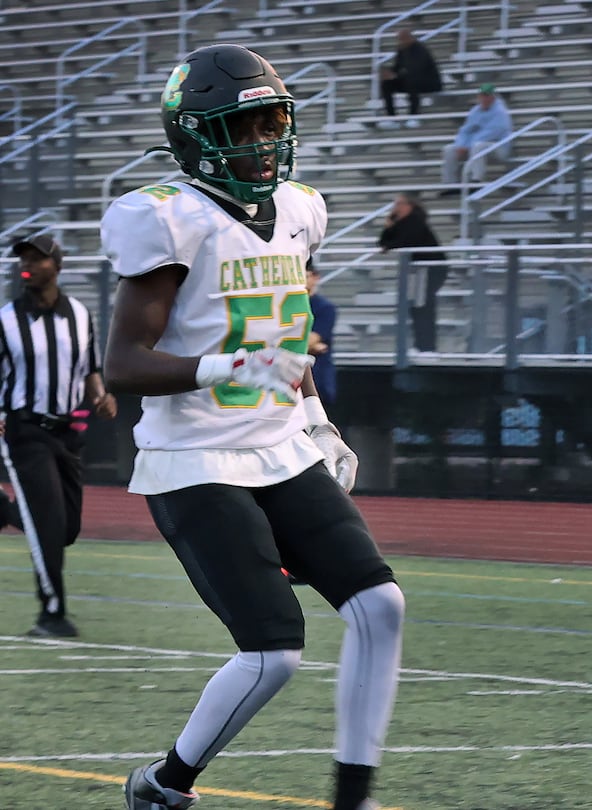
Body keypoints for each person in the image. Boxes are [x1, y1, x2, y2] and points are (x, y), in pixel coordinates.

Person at [100, 44, 403, 810]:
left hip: (278, 444)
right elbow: (126, 364)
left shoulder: (300, 209)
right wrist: (216, 367)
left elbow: (285, 338)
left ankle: (352, 796)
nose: (265, 141)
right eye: (245, 126)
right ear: (198, 135)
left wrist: (318, 422)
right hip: (194, 456)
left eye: (274, 122)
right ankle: (166, 785)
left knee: (381, 606)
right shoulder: (170, 220)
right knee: (273, 652)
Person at [1, 233, 117, 638]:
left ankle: (4, 511)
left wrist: (102, 398)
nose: (27, 264)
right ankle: (51, 614)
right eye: (23, 259)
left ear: (58, 266)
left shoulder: (81, 316)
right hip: (25, 429)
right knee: (48, 524)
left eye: (37, 258)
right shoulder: (6, 319)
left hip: (68, 433)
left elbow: (91, 371)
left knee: (65, 528)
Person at [377, 191, 448, 352]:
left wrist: (389, 242)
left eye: (399, 204)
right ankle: (421, 345)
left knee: (423, 307)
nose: (395, 208)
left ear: (409, 206)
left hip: (429, 269)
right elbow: (383, 242)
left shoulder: (415, 221)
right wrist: (388, 226)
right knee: (416, 307)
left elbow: (403, 242)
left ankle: (427, 346)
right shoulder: (402, 223)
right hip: (417, 271)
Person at [440, 83, 512, 190]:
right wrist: (461, 145)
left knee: (479, 146)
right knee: (449, 149)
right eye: (482, 96)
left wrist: (467, 146)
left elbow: (492, 133)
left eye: (487, 96)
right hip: (473, 145)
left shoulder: (500, 112)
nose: (484, 98)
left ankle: (476, 179)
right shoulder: (475, 111)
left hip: (498, 147)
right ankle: (450, 184)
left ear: (493, 97)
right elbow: (465, 130)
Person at [377, 28, 442, 124]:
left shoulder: (420, 49)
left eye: (403, 38)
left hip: (428, 82)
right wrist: (388, 73)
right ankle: (391, 117)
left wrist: (397, 75)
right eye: (399, 39)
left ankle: (413, 116)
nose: (401, 41)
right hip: (409, 81)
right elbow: (397, 67)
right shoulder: (401, 50)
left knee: (412, 80)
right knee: (387, 84)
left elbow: (417, 69)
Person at [306, 260, 338, 405]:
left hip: (317, 379)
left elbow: (310, 340)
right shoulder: (285, 305)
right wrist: (311, 348)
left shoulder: (324, 307)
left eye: (305, 276)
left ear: (315, 277)